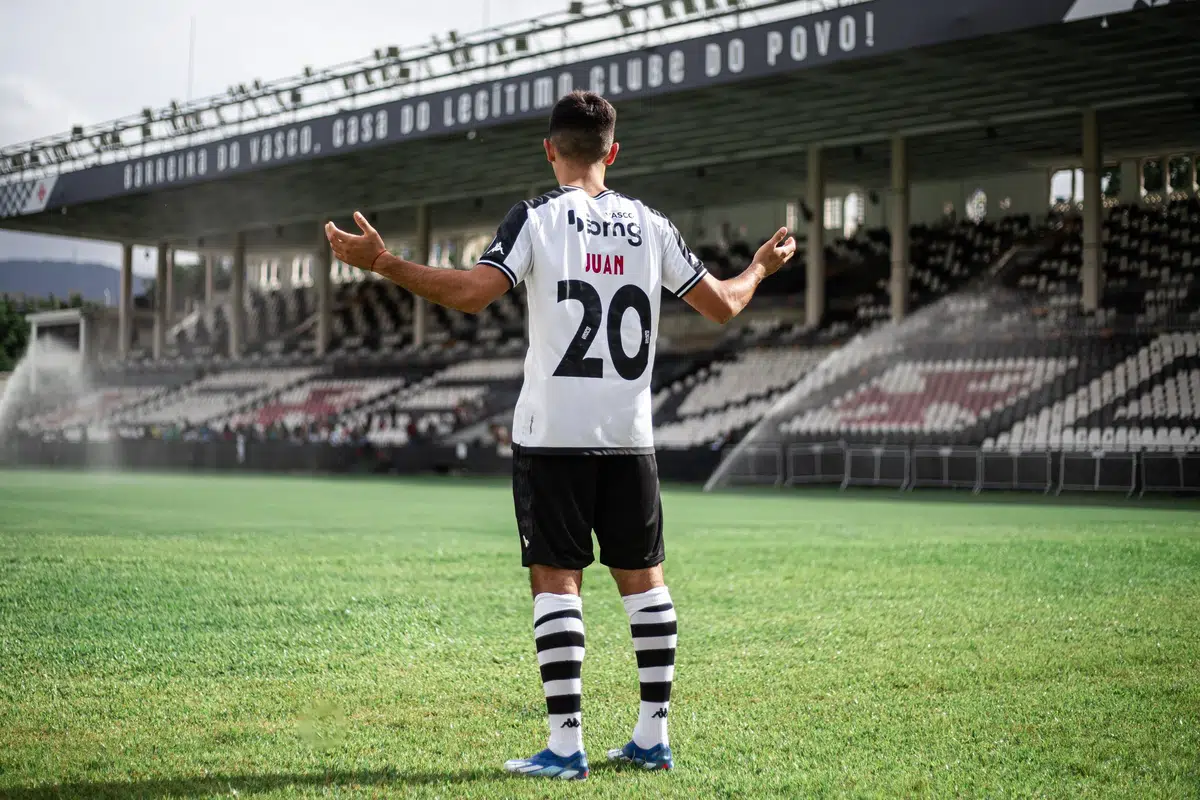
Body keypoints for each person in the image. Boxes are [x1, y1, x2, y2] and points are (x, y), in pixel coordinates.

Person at [325, 90, 795, 781]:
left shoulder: (537, 218)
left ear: (549, 150)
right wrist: (760, 267)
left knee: (557, 580)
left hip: (554, 436)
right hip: (632, 436)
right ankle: (651, 737)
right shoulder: (650, 224)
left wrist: (385, 264)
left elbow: (473, 293)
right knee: (645, 584)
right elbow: (723, 304)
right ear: (614, 151)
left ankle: (567, 746)